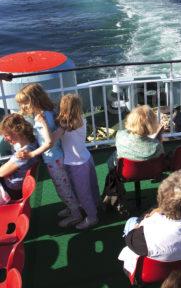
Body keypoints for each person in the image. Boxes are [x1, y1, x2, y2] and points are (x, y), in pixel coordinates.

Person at [119, 170, 181, 276]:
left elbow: (130, 240)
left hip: (153, 273)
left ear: (161, 201)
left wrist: (139, 225)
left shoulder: (147, 233)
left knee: (131, 221)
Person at [15, 83, 81, 227]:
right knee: (64, 185)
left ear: (35, 100)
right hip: (57, 157)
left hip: (54, 158)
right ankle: (72, 208)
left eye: (25, 103)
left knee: (63, 188)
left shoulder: (42, 118)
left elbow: (48, 143)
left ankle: (76, 214)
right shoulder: (48, 112)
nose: (24, 107)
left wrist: (31, 154)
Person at [54, 94, 100, 229]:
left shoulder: (65, 125)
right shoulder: (81, 119)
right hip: (85, 158)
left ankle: (92, 217)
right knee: (91, 187)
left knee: (82, 193)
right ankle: (94, 205)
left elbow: (53, 140)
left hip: (76, 164)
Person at [108, 105, 164, 169]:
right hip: (149, 171)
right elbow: (161, 155)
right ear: (152, 124)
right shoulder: (156, 145)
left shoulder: (120, 135)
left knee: (114, 155)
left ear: (130, 119)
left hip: (126, 171)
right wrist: (159, 137)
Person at [0, 114, 38, 202]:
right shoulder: (33, 142)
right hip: (19, 186)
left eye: (6, 135)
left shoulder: (23, 154)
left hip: (12, 189)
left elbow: (1, 173)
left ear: (16, 132)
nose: (5, 139)